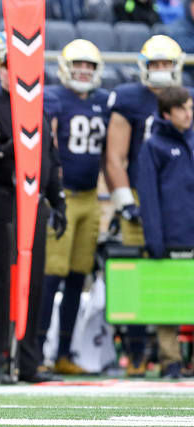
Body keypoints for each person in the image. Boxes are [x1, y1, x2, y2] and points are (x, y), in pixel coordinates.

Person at [0, 31, 66, 383]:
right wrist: (7, 150)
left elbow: (50, 159)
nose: (14, 73)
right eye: (8, 67)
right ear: (1, 70)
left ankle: (28, 361)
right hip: (1, 199)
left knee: (33, 282)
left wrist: (58, 199)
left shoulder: (40, 110)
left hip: (32, 203)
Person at [105, 35, 186, 377]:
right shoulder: (129, 99)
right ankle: (136, 353)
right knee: (136, 275)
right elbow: (115, 156)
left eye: (166, 64)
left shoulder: (185, 100)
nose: (161, 70)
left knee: (176, 277)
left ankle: (172, 355)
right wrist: (124, 201)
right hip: (140, 195)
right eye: (155, 64)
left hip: (177, 198)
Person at [38, 39, 110, 376]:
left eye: (90, 66)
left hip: (91, 197)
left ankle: (65, 353)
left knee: (77, 276)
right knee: (52, 274)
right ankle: (36, 353)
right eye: (78, 64)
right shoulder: (54, 99)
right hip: (62, 196)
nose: (83, 71)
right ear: (66, 67)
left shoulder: (101, 102)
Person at [137, 86, 193, 379]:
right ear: (167, 114)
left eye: (191, 108)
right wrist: (154, 238)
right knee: (167, 300)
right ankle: (170, 360)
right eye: (183, 109)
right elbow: (148, 196)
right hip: (171, 235)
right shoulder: (153, 146)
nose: (189, 114)